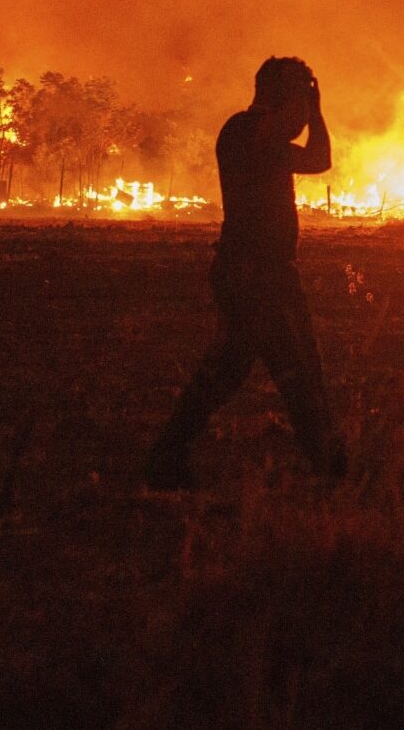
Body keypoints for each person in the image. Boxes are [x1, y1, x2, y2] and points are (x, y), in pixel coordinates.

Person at [145, 55, 347, 488]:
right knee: (293, 366)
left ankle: (167, 455)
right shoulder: (245, 130)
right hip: (254, 273)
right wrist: (310, 111)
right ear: (279, 98)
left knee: (242, 368)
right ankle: (328, 463)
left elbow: (319, 159)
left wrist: (312, 111)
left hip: (260, 271)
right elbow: (316, 157)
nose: (302, 113)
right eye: (297, 100)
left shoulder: (257, 135)